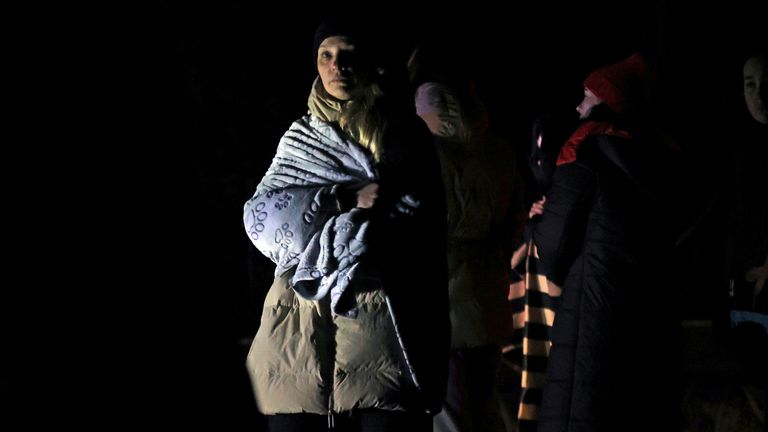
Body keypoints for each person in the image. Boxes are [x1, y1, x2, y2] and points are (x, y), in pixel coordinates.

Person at [242, 16, 449, 432]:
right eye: (326, 56)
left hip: (382, 321)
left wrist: (370, 223)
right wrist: (342, 200)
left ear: (370, 63)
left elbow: (422, 221)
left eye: (348, 55)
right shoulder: (299, 138)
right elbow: (260, 216)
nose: (338, 66)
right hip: (300, 325)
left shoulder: (401, 136)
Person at [527, 52, 684, 432]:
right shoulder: (665, 156)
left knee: (578, 410)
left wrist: (536, 224)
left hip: (591, 308)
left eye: (587, 96)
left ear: (607, 102)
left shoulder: (584, 149)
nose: (579, 104)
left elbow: (555, 243)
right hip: (650, 313)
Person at [407, 41, 526, 432]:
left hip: (444, 307)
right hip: (487, 300)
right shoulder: (500, 151)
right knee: (484, 407)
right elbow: (514, 225)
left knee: (451, 414)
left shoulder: (428, 157)